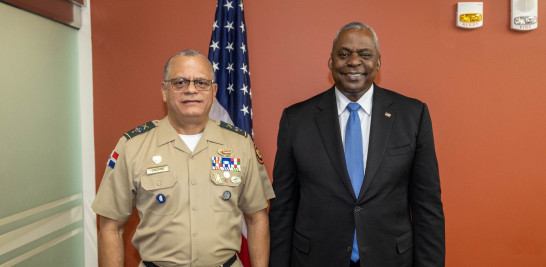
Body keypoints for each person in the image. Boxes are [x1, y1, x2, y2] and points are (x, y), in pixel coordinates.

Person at [269, 22, 445, 267]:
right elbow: (282, 208)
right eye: (343, 54)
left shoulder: (413, 115)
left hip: (391, 259)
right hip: (316, 259)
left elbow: (427, 206)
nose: (353, 62)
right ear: (330, 62)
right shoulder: (296, 120)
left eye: (365, 54)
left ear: (378, 62)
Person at [92, 50, 274, 267]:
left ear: (213, 90)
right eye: (179, 82)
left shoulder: (240, 144)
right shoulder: (133, 146)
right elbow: (111, 227)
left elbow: (256, 219)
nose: (191, 89)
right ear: (164, 91)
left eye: (201, 82)